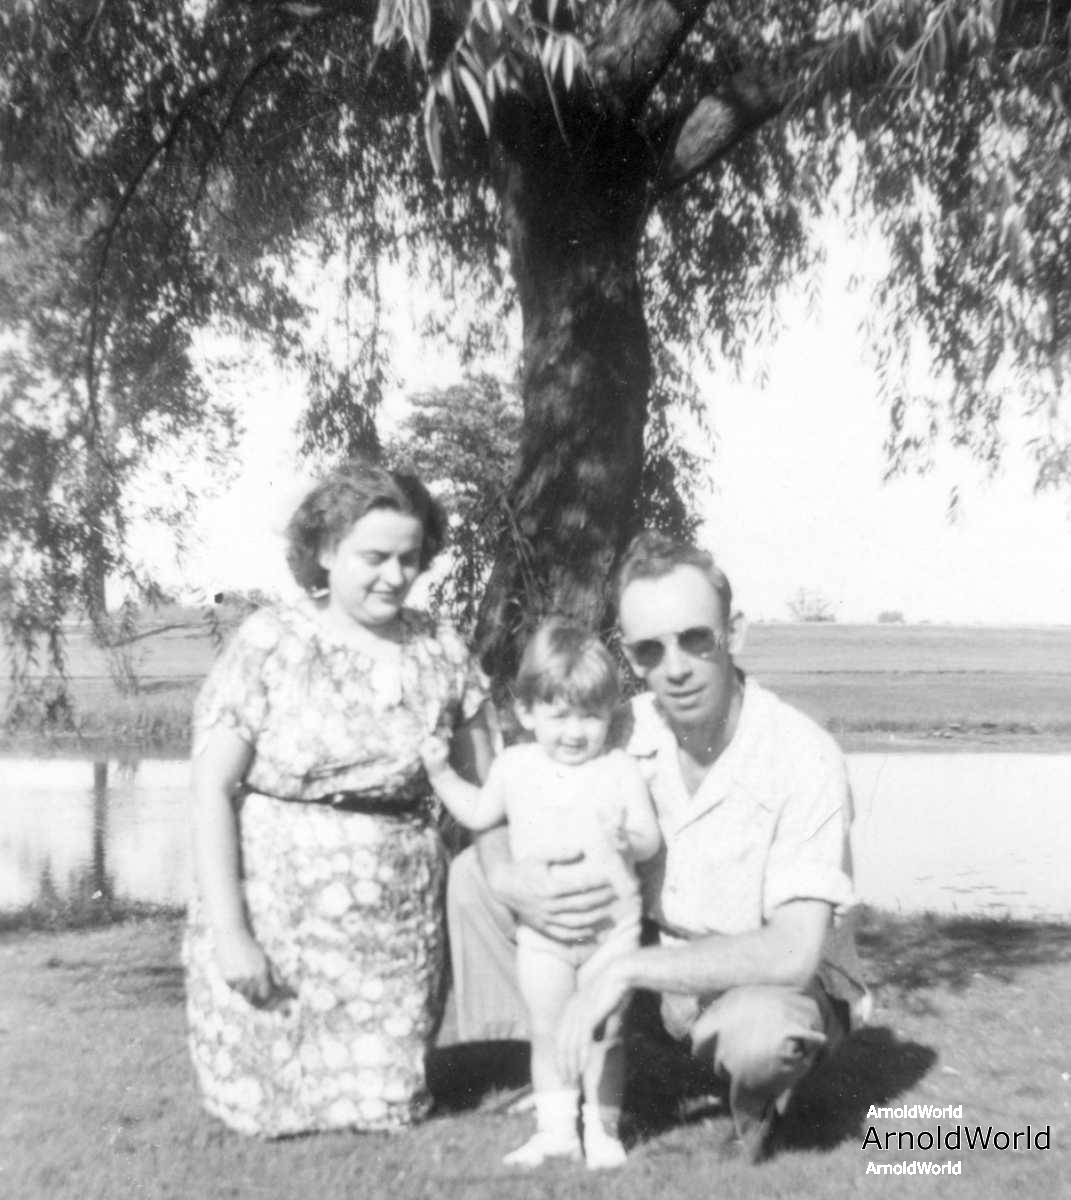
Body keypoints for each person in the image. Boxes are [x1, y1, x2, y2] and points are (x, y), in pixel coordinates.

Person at [447, 530, 869, 1163]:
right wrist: (506, 873)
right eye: (650, 649)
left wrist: (624, 971)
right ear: (629, 656)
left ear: (735, 633)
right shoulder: (619, 726)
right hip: (645, 948)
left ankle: (761, 1101)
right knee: (471, 877)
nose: (675, 668)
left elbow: (792, 950)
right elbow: (518, 784)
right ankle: (558, 1066)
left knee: (763, 1036)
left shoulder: (803, 757)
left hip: (760, 976)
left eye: (696, 638)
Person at [183, 458, 494, 1138]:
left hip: (394, 928)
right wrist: (232, 934)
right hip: (277, 918)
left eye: (409, 558)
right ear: (325, 551)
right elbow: (211, 788)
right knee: (270, 1113)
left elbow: (489, 789)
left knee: (384, 1109)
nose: (395, 575)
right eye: (374, 558)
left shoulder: (441, 648)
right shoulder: (271, 642)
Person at [419, 620, 661, 1169]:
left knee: (605, 1030)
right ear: (527, 712)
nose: (575, 732)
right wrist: (440, 774)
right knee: (548, 1030)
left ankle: (603, 1132)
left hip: (611, 933)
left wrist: (630, 838)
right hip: (544, 936)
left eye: (590, 716)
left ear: (610, 714)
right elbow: (478, 813)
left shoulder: (618, 769)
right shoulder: (514, 767)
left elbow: (649, 842)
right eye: (559, 715)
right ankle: (557, 1132)